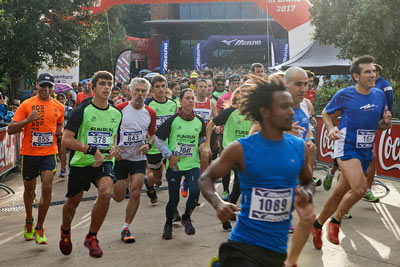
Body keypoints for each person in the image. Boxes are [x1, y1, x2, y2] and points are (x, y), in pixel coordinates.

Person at [199, 76, 315, 267]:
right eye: (284, 107)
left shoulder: (298, 146)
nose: (291, 113)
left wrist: (306, 193)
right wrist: (218, 203)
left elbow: (308, 181)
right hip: (244, 245)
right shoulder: (240, 149)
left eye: (291, 107)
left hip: (276, 249)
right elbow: (206, 178)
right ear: (266, 112)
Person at [312, 55, 392, 249]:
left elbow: (379, 125)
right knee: (359, 188)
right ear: (356, 76)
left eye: (374, 71)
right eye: (367, 72)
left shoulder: (379, 95)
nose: (372, 75)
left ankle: (317, 225)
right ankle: (335, 221)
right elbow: (325, 112)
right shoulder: (345, 94)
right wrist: (330, 128)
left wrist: (386, 123)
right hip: (346, 144)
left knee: (339, 193)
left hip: (365, 149)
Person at [59, 71, 122, 258]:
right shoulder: (82, 111)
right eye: (102, 84)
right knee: (73, 202)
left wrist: (114, 148)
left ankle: (92, 237)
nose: (107, 87)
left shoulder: (116, 113)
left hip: (104, 162)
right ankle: (65, 230)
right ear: (93, 88)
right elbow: (66, 140)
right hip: (81, 162)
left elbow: (113, 136)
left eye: (109, 84)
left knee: (105, 193)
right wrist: (91, 150)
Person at [8, 73, 65, 244]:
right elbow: (10, 129)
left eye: (49, 86)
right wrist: (27, 120)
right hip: (29, 154)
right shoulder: (27, 105)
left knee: (47, 186)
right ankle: (29, 220)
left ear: (52, 88)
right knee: (29, 190)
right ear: (37, 86)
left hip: (48, 153)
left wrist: (59, 130)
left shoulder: (59, 106)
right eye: (43, 86)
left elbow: (60, 122)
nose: (46, 89)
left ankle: (40, 227)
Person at [155, 88, 206, 239]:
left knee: (196, 192)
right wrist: (169, 155)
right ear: (181, 101)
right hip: (175, 165)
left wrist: (203, 144)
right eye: (188, 98)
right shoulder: (173, 120)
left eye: (193, 98)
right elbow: (158, 139)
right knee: (174, 198)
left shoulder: (199, 121)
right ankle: (168, 224)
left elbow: (202, 137)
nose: (191, 101)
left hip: (192, 163)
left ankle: (187, 217)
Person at [112, 78, 156, 243]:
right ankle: (113, 184)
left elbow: (152, 134)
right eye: (137, 90)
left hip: (138, 158)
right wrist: (114, 146)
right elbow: (111, 131)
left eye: (143, 91)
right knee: (118, 197)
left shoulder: (150, 112)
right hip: (121, 158)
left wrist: (148, 145)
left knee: (136, 191)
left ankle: (126, 227)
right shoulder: (119, 109)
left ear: (147, 93)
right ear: (130, 91)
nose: (140, 94)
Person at [202, 85, 252, 231]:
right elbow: (211, 123)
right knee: (238, 179)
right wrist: (207, 144)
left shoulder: (254, 114)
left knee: (240, 182)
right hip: (230, 152)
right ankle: (228, 208)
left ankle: (228, 207)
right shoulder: (230, 112)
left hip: (246, 153)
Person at [283, 67, 317, 266]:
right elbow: (254, 133)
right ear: (286, 85)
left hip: (298, 169)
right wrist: (282, 129)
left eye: (305, 83)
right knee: (269, 226)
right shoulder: (274, 105)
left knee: (308, 217)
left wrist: (310, 139)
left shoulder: (306, 104)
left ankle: (291, 262)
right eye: (298, 84)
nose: (304, 88)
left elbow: (308, 127)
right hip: (275, 171)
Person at [144, 75, 178, 204]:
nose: (161, 89)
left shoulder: (173, 104)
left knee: (172, 176)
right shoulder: (147, 105)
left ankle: (173, 208)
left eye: (163, 86)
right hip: (154, 148)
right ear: (152, 89)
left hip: (169, 146)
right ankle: (149, 182)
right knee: (157, 177)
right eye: (157, 87)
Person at [56, 93, 73, 179]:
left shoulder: (69, 109)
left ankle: (63, 169)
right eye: (59, 99)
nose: (61, 100)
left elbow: (72, 121)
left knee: (63, 151)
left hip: (66, 132)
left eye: (62, 99)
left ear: (65, 100)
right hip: (57, 132)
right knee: (59, 152)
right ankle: (64, 165)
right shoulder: (54, 108)